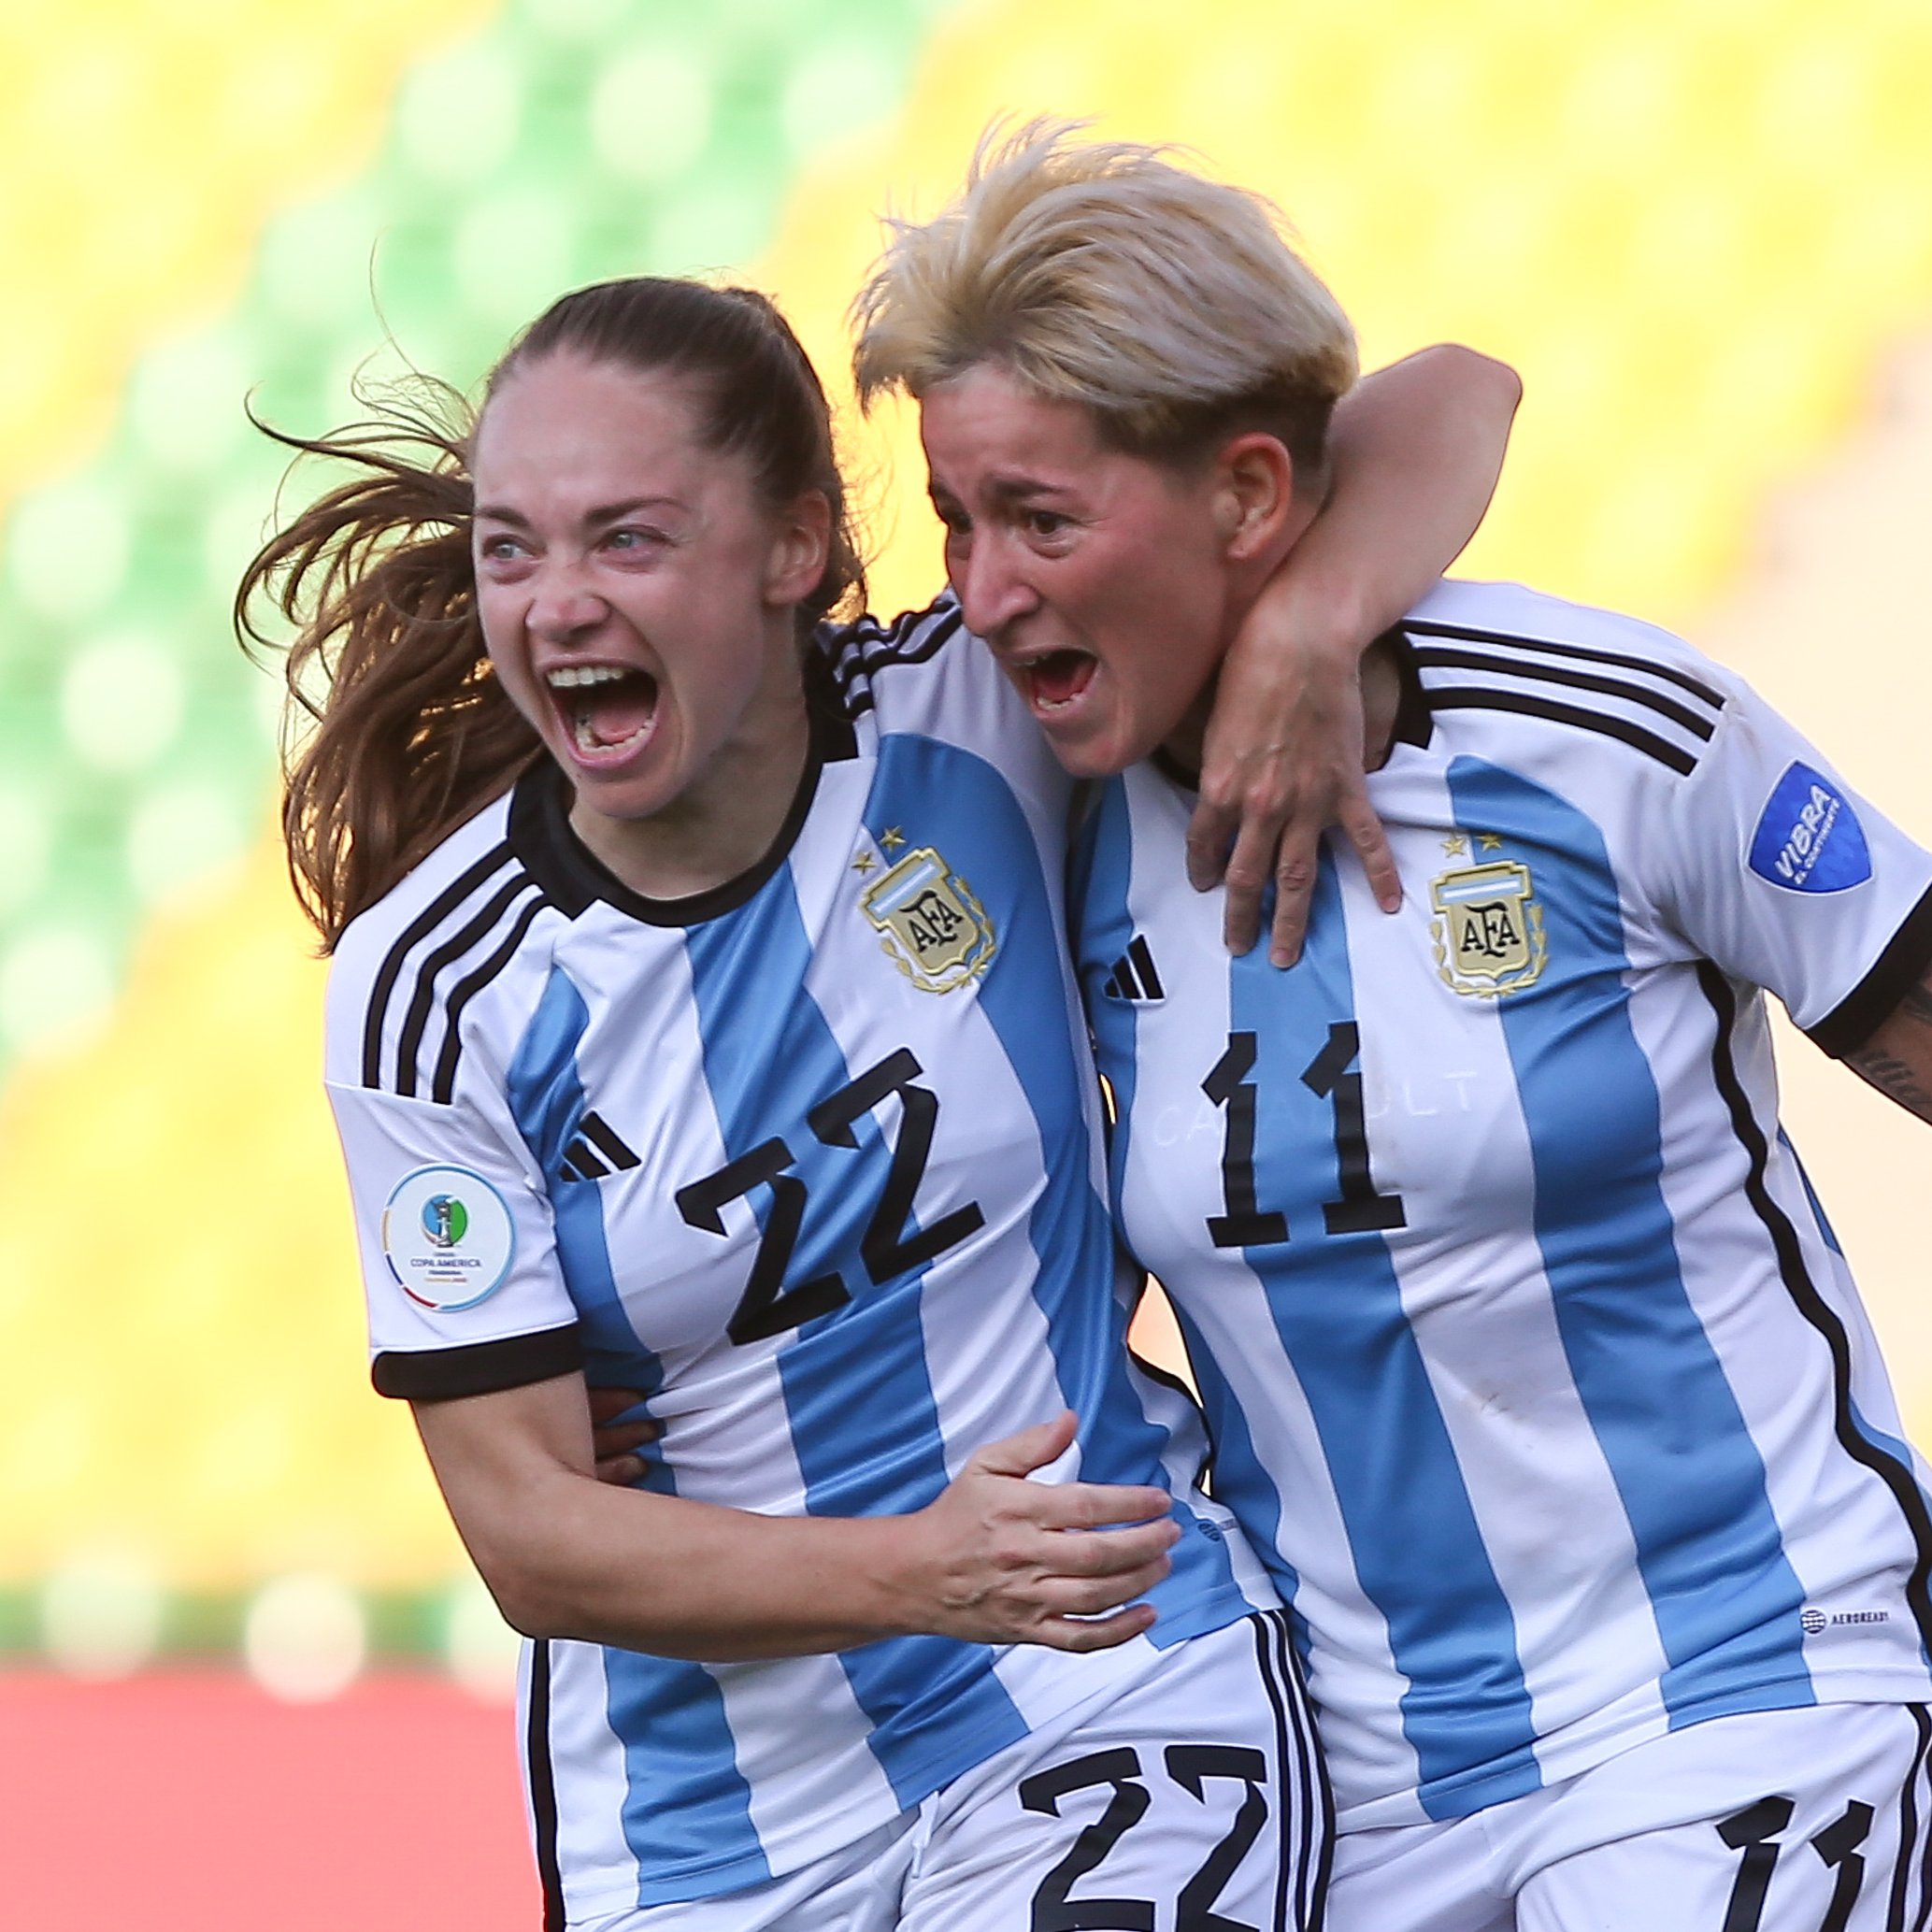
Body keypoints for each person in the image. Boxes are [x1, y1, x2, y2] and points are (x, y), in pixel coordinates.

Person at [239, 274, 1514, 1929]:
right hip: (706, 1832)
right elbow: (531, 1538)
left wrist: (1306, 621)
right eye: (512, 549)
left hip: (1109, 1680)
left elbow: (1457, 392)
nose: (554, 605)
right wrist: (921, 1570)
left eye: (626, 539)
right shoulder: (437, 989)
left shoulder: (971, 711)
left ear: (789, 548)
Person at [841, 121, 1932, 1932]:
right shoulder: (1016, 807)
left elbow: (1451, 384)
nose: (981, 586)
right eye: (956, 518)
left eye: (1039, 517)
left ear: (1252, 495)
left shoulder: (1592, 733)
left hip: (1739, 1686)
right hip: (1349, 1788)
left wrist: (1325, 614)